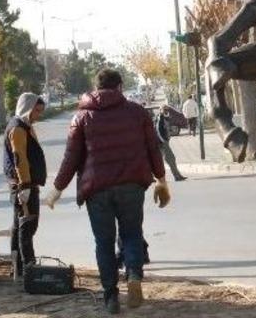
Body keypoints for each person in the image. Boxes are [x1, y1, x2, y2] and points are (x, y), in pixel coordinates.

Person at [45, 69, 170, 314]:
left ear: (97, 87)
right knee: (132, 233)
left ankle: (111, 296)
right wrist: (161, 179)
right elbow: (153, 148)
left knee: (103, 242)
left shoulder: (81, 117)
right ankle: (134, 274)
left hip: (97, 189)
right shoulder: (137, 112)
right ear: (120, 86)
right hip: (132, 185)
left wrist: (57, 189)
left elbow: (71, 158)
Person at [2, 93, 46, 275]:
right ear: (28, 108)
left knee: (19, 225)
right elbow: (19, 158)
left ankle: (17, 268)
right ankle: (28, 267)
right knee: (27, 226)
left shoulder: (24, 126)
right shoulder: (18, 129)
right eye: (37, 111)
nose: (39, 115)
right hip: (23, 185)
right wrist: (25, 185)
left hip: (24, 184)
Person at [156, 104, 187, 181]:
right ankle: (177, 176)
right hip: (162, 143)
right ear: (161, 110)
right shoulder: (160, 118)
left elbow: (166, 129)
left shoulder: (165, 118)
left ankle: (177, 175)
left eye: (167, 109)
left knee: (160, 161)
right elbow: (158, 131)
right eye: (164, 110)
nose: (166, 111)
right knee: (171, 159)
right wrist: (164, 141)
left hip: (163, 142)